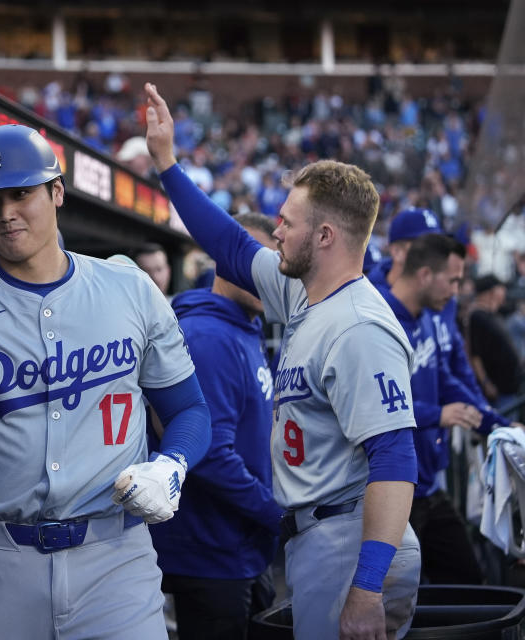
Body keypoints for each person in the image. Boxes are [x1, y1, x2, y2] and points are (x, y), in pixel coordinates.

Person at [0, 124, 212, 639]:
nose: (6, 213)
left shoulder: (129, 288)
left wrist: (173, 464)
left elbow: (189, 411)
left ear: (57, 192)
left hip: (114, 557)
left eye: (21, 192)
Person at [145, 82, 421, 640]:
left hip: (351, 540)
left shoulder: (359, 326)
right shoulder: (305, 291)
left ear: (323, 235)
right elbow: (228, 243)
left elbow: (395, 458)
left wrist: (366, 588)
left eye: (286, 223)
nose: (274, 232)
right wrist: (168, 164)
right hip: (320, 537)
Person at [150, 212, 281, 640]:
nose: (272, 274)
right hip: (210, 553)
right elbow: (207, 454)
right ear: (227, 257)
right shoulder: (208, 336)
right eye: (259, 260)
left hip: (239, 547)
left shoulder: (246, 327)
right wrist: (273, 511)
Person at [381, 232, 512, 584]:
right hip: (390, 491)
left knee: (469, 582)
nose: (456, 291)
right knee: (398, 602)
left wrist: (499, 425)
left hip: (427, 484)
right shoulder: (379, 320)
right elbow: (379, 406)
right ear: (425, 274)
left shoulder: (425, 315)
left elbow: (445, 381)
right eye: (452, 280)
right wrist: (437, 415)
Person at [368, 207, 484, 404]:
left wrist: (486, 415)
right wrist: (437, 415)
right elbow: (375, 399)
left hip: (439, 425)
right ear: (397, 251)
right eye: (426, 244)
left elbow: (454, 366)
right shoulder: (371, 302)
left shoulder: (442, 297)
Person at [467, 275, 524, 409]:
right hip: (499, 389)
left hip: (511, 386)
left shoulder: (493, 314)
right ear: (490, 292)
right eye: (500, 289)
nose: (504, 292)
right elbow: (475, 355)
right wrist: (486, 382)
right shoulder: (477, 316)